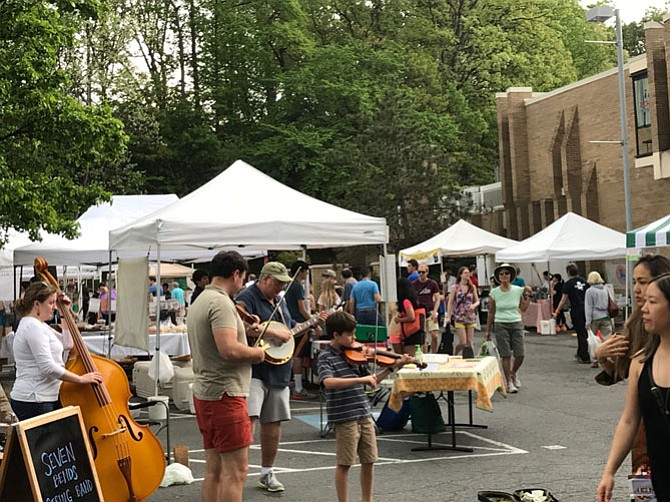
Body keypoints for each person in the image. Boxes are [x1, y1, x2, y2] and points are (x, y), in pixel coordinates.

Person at [236, 262, 327, 492]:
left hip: (279, 369)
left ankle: (267, 472)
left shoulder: (280, 300)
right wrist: (274, 332)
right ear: (265, 278)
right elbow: (240, 327)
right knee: (250, 419)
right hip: (255, 368)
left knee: (274, 422)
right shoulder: (247, 298)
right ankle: (237, 471)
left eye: (284, 283)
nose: (281, 287)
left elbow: (290, 328)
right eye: (278, 283)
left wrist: (312, 323)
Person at [186, 250, 266, 502]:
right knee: (236, 472)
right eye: (243, 279)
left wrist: (245, 330)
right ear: (236, 274)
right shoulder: (221, 303)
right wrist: (258, 354)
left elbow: (220, 339)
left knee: (214, 471)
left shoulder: (201, 299)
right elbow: (228, 349)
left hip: (207, 392)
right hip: (226, 393)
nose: (242, 286)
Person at [317, 311, 411, 502]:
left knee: (369, 460)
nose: (354, 339)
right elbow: (328, 382)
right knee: (345, 463)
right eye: (350, 335)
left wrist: (393, 367)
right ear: (336, 335)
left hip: (363, 412)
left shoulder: (355, 355)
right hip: (344, 416)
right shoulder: (325, 357)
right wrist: (360, 379)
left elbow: (372, 380)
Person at [596, 273, 670, 502]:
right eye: (644, 301)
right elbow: (629, 420)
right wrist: (609, 471)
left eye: (653, 302)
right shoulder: (640, 363)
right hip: (662, 480)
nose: (644, 309)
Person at [9, 282, 103, 421]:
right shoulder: (32, 326)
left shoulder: (38, 325)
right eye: (51, 303)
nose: (54, 307)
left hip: (41, 398)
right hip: (35, 399)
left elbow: (67, 343)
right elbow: (48, 367)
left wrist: (64, 311)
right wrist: (81, 379)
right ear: (37, 304)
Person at [485, 263, 532, 394]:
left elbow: (523, 308)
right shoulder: (494, 292)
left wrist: (528, 296)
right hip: (501, 324)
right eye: (501, 274)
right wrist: (487, 330)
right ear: (498, 277)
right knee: (506, 355)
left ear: (511, 275)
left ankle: (513, 373)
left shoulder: (517, 290)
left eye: (507, 273)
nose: (504, 276)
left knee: (520, 354)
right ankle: (509, 383)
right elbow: (490, 312)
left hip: (516, 322)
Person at [283, 260, 315, 400]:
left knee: (294, 355)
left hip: (290, 322)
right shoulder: (297, 287)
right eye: (306, 271)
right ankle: (298, 387)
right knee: (297, 356)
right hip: (300, 325)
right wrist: (313, 322)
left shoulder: (289, 285)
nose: (306, 274)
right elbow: (302, 309)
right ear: (301, 271)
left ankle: (295, 384)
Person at [554, 263, 590, 364]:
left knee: (581, 333)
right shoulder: (584, 281)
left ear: (568, 272)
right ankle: (580, 352)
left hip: (576, 310)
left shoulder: (569, 283)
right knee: (584, 331)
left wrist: (557, 311)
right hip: (586, 309)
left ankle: (584, 355)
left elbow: (563, 299)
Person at [447, 266, 480, 357]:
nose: (467, 274)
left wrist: (473, 305)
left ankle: (469, 357)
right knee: (463, 342)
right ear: (460, 275)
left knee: (469, 341)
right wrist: (448, 316)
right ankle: (456, 353)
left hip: (470, 316)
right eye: (465, 273)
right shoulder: (455, 287)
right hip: (459, 316)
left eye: (468, 273)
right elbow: (450, 302)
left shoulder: (472, 287)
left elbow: (477, 301)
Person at [389, 278, 423, 357]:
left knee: (401, 357)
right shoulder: (410, 300)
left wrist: (399, 320)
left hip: (399, 331)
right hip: (403, 332)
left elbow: (411, 317)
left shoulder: (405, 301)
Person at [412, 264, 440, 353]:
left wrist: (435, 311)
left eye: (423, 272)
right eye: (419, 272)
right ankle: (425, 355)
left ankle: (434, 353)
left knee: (434, 335)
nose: (421, 274)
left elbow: (437, 298)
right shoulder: (414, 284)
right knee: (422, 336)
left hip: (430, 310)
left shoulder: (432, 283)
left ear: (427, 273)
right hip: (420, 311)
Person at [585, 271, 613, 348]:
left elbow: (588, 307)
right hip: (605, 315)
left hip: (595, 317)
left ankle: (595, 355)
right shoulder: (606, 289)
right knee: (607, 339)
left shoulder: (589, 291)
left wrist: (588, 321)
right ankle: (608, 355)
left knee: (592, 340)